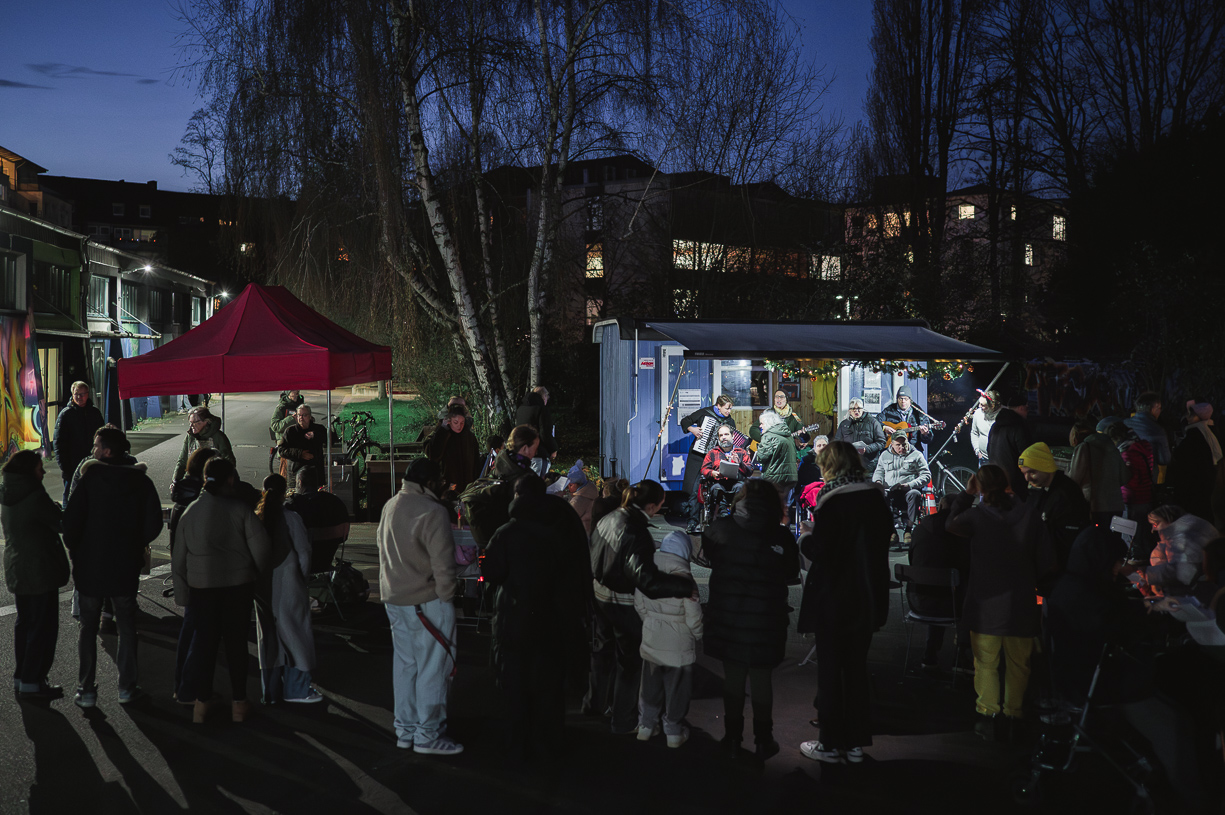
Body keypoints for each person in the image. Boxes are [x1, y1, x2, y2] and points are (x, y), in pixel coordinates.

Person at [946, 465, 1057, 742]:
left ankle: (987, 715)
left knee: (986, 663)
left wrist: (966, 494)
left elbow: (951, 524)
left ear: (980, 487)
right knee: (1020, 664)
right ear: (1008, 484)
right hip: (1020, 603)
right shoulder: (1030, 515)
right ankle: (1014, 715)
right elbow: (1046, 559)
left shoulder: (976, 516)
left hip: (985, 605)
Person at [482, 475, 590, 759]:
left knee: (514, 686)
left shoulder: (506, 533)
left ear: (517, 497)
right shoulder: (560, 527)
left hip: (513, 620)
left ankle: (515, 745)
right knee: (548, 686)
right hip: (551, 619)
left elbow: (491, 572)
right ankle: (549, 743)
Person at [796, 441, 891, 765]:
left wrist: (806, 535)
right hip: (868, 596)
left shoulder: (832, 502)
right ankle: (855, 744)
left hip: (835, 596)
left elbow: (823, 552)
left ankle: (829, 744)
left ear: (831, 466)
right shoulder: (875, 498)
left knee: (831, 670)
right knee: (856, 670)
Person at [587, 480, 697, 736]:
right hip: (622, 602)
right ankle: (623, 720)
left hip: (600, 594)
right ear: (651, 505)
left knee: (603, 652)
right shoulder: (635, 531)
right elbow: (645, 579)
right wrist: (682, 586)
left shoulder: (611, 517)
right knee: (629, 662)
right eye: (660, 504)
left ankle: (595, 705)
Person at [63, 426, 163, 708]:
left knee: (88, 627)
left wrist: (78, 551)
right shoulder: (140, 482)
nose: (92, 450)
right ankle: (127, 687)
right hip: (125, 567)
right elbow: (154, 523)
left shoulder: (89, 479)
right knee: (127, 626)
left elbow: (70, 523)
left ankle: (86, 690)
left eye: (96, 445)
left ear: (107, 450)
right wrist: (136, 543)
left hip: (90, 567)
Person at [702, 479, 800, 763]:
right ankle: (763, 738)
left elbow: (708, 555)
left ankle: (732, 738)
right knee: (761, 677)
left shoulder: (721, 528)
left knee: (732, 677)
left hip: (728, 615)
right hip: (767, 616)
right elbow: (792, 571)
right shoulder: (781, 536)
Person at [376, 458, 464, 756]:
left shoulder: (390, 505)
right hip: (427, 601)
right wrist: (447, 595)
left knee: (406, 666)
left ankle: (406, 730)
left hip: (394, 598)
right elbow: (444, 563)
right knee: (433, 668)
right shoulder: (433, 511)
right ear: (432, 482)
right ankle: (428, 734)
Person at [173, 458, 271, 722]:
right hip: (238, 587)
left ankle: (201, 704)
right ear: (230, 479)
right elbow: (262, 549)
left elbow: (178, 559)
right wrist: (254, 573)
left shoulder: (190, 512)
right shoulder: (240, 510)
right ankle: (239, 703)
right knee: (236, 645)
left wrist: (183, 595)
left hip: (202, 589)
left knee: (205, 645)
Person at [3, 450, 70, 699]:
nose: (43, 471)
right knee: (42, 627)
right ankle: (34, 681)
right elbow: (59, 522)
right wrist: (57, 509)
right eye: (40, 467)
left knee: (25, 624)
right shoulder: (34, 494)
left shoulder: (8, 493)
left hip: (18, 567)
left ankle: (22, 678)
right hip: (40, 569)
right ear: (29, 470)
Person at [254, 474, 320, 705]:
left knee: (269, 639)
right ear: (285, 493)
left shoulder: (256, 518)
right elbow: (303, 552)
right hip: (289, 580)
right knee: (296, 635)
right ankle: (297, 688)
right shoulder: (291, 518)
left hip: (262, 586)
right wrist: (304, 580)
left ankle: (270, 692)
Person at [634, 530, 703, 749]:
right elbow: (694, 618)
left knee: (650, 684)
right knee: (677, 688)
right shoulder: (685, 579)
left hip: (652, 636)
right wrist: (698, 635)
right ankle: (673, 730)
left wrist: (652, 623)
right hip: (679, 644)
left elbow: (640, 605)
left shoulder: (648, 572)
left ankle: (646, 726)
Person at [909, 496, 971, 672]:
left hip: (918, 601)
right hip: (951, 604)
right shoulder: (961, 532)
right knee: (963, 592)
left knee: (938, 589)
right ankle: (961, 656)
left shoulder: (920, 528)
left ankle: (930, 654)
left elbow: (913, 559)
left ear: (941, 506)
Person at [1017, 442, 1090, 566]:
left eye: (1032, 472)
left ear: (1046, 467)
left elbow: (1066, 539)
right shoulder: (1040, 490)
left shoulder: (1066, 494)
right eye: (1024, 473)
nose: (1027, 478)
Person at [679, 395, 736, 533]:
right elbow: (685, 421)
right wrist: (692, 429)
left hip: (715, 458)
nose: (729, 411)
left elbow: (730, 440)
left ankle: (714, 520)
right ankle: (693, 521)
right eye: (726, 408)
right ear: (718, 406)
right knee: (694, 488)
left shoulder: (730, 421)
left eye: (730, 408)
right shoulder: (705, 413)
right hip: (698, 456)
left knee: (717, 487)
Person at [1105, 418, 1156, 561]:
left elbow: (1130, 482)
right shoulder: (1143, 446)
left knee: (1131, 534)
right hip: (1146, 495)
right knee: (1142, 533)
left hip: (1132, 499)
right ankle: (1141, 558)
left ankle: (1135, 562)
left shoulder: (1127, 453)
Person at [1067, 418, 1130, 527]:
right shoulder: (1112, 447)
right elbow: (1125, 477)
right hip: (1116, 505)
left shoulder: (1084, 447)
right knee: (1112, 540)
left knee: (1096, 540)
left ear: (1075, 436)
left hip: (1095, 505)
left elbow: (1074, 480)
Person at [872, 430, 931, 542]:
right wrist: (878, 482)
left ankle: (908, 530)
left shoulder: (916, 455)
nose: (901, 448)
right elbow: (878, 472)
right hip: (890, 490)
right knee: (880, 495)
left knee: (915, 494)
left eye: (904, 444)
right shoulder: (884, 455)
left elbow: (926, 475)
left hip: (908, 490)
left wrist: (910, 485)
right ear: (892, 444)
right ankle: (892, 531)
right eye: (898, 445)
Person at [1167, 401, 1221, 521]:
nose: (1187, 417)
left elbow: (1181, 456)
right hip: (1207, 482)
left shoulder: (1196, 434)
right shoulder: (1209, 431)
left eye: (1191, 415)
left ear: (1199, 416)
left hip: (1195, 484)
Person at [52, 380, 104, 499]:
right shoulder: (66, 415)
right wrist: (65, 468)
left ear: (88, 394)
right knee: (70, 496)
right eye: (76, 394)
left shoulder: (94, 413)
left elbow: (102, 436)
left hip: (92, 463)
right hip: (72, 466)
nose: (80, 397)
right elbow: (59, 443)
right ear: (72, 394)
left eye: (82, 394)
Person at [699, 424, 754, 525]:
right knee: (716, 490)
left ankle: (737, 517)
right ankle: (721, 516)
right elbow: (703, 469)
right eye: (721, 435)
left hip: (737, 481)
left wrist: (740, 463)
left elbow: (750, 470)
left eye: (726, 434)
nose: (723, 437)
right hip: (719, 482)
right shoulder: (712, 452)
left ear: (732, 436)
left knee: (740, 488)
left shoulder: (741, 452)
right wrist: (712, 473)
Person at [426, 404, 481, 499]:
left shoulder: (470, 438)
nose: (459, 426)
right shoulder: (443, 435)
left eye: (462, 423)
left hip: (468, 487)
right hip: (449, 487)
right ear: (449, 421)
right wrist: (443, 431)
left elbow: (476, 461)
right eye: (456, 422)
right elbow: (433, 455)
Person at [987, 393, 1032, 499]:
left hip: (996, 478)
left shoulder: (995, 426)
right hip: (1015, 483)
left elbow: (989, 449)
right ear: (1021, 407)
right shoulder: (1019, 427)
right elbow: (1026, 454)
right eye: (1027, 408)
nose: (1028, 412)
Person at [173, 406, 235, 484]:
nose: (191, 426)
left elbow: (229, 461)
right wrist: (175, 480)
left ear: (206, 421)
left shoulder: (218, 437)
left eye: (195, 422)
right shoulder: (190, 437)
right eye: (190, 422)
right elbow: (182, 461)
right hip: (193, 479)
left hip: (214, 480)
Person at [756, 410, 799, 516]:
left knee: (771, 507)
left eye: (762, 423)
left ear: (768, 423)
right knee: (784, 507)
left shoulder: (768, 436)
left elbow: (761, 457)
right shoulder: (788, 435)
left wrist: (759, 447)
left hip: (774, 478)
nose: (760, 426)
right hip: (790, 478)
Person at [1124, 391, 1172, 485]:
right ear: (1155, 407)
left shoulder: (1124, 424)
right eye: (1160, 408)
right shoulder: (1157, 430)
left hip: (1124, 478)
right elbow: (1164, 460)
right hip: (1146, 479)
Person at [284, 467, 349, 530]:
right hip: (336, 537)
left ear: (299, 482)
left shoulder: (295, 504)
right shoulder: (333, 501)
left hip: (308, 539)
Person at [834, 397, 887, 473]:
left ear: (863, 409)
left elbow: (882, 442)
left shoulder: (873, 422)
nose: (856, 411)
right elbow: (837, 443)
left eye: (859, 408)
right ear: (849, 411)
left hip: (869, 465)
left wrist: (867, 449)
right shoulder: (844, 424)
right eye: (853, 409)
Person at [878, 384, 933, 455]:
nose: (903, 401)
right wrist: (884, 427)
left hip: (912, 451)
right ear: (897, 399)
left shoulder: (919, 414)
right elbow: (875, 423)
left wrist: (925, 434)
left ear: (910, 400)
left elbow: (928, 440)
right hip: (892, 451)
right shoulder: (889, 410)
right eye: (900, 398)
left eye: (906, 399)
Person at [514, 386, 557, 472]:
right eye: (546, 398)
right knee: (538, 483)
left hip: (522, 453)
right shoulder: (542, 410)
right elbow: (545, 433)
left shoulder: (520, 410)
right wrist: (553, 449)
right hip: (538, 454)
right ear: (544, 397)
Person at [279, 404, 326, 482]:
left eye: (304, 415)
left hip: (316, 473)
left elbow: (331, 439)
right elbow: (281, 450)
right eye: (299, 415)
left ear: (310, 416)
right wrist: (300, 453)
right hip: (296, 474)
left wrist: (315, 435)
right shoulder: (290, 431)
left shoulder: (319, 429)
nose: (301, 418)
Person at [564, 460, 599, 535]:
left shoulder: (577, 501)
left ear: (573, 485)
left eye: (569, 485)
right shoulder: (592, 492)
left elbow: (567, 521)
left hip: (582, 536)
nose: (568, 488)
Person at [967, 389, 1001, 461]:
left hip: (1000, 459)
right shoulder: (978, 413)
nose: (979, 406)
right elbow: (974, 432)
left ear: (992, 405)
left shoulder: (1003, 414)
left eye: (982, 405)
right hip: (983, 458)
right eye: (979, 403)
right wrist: (977, 450)